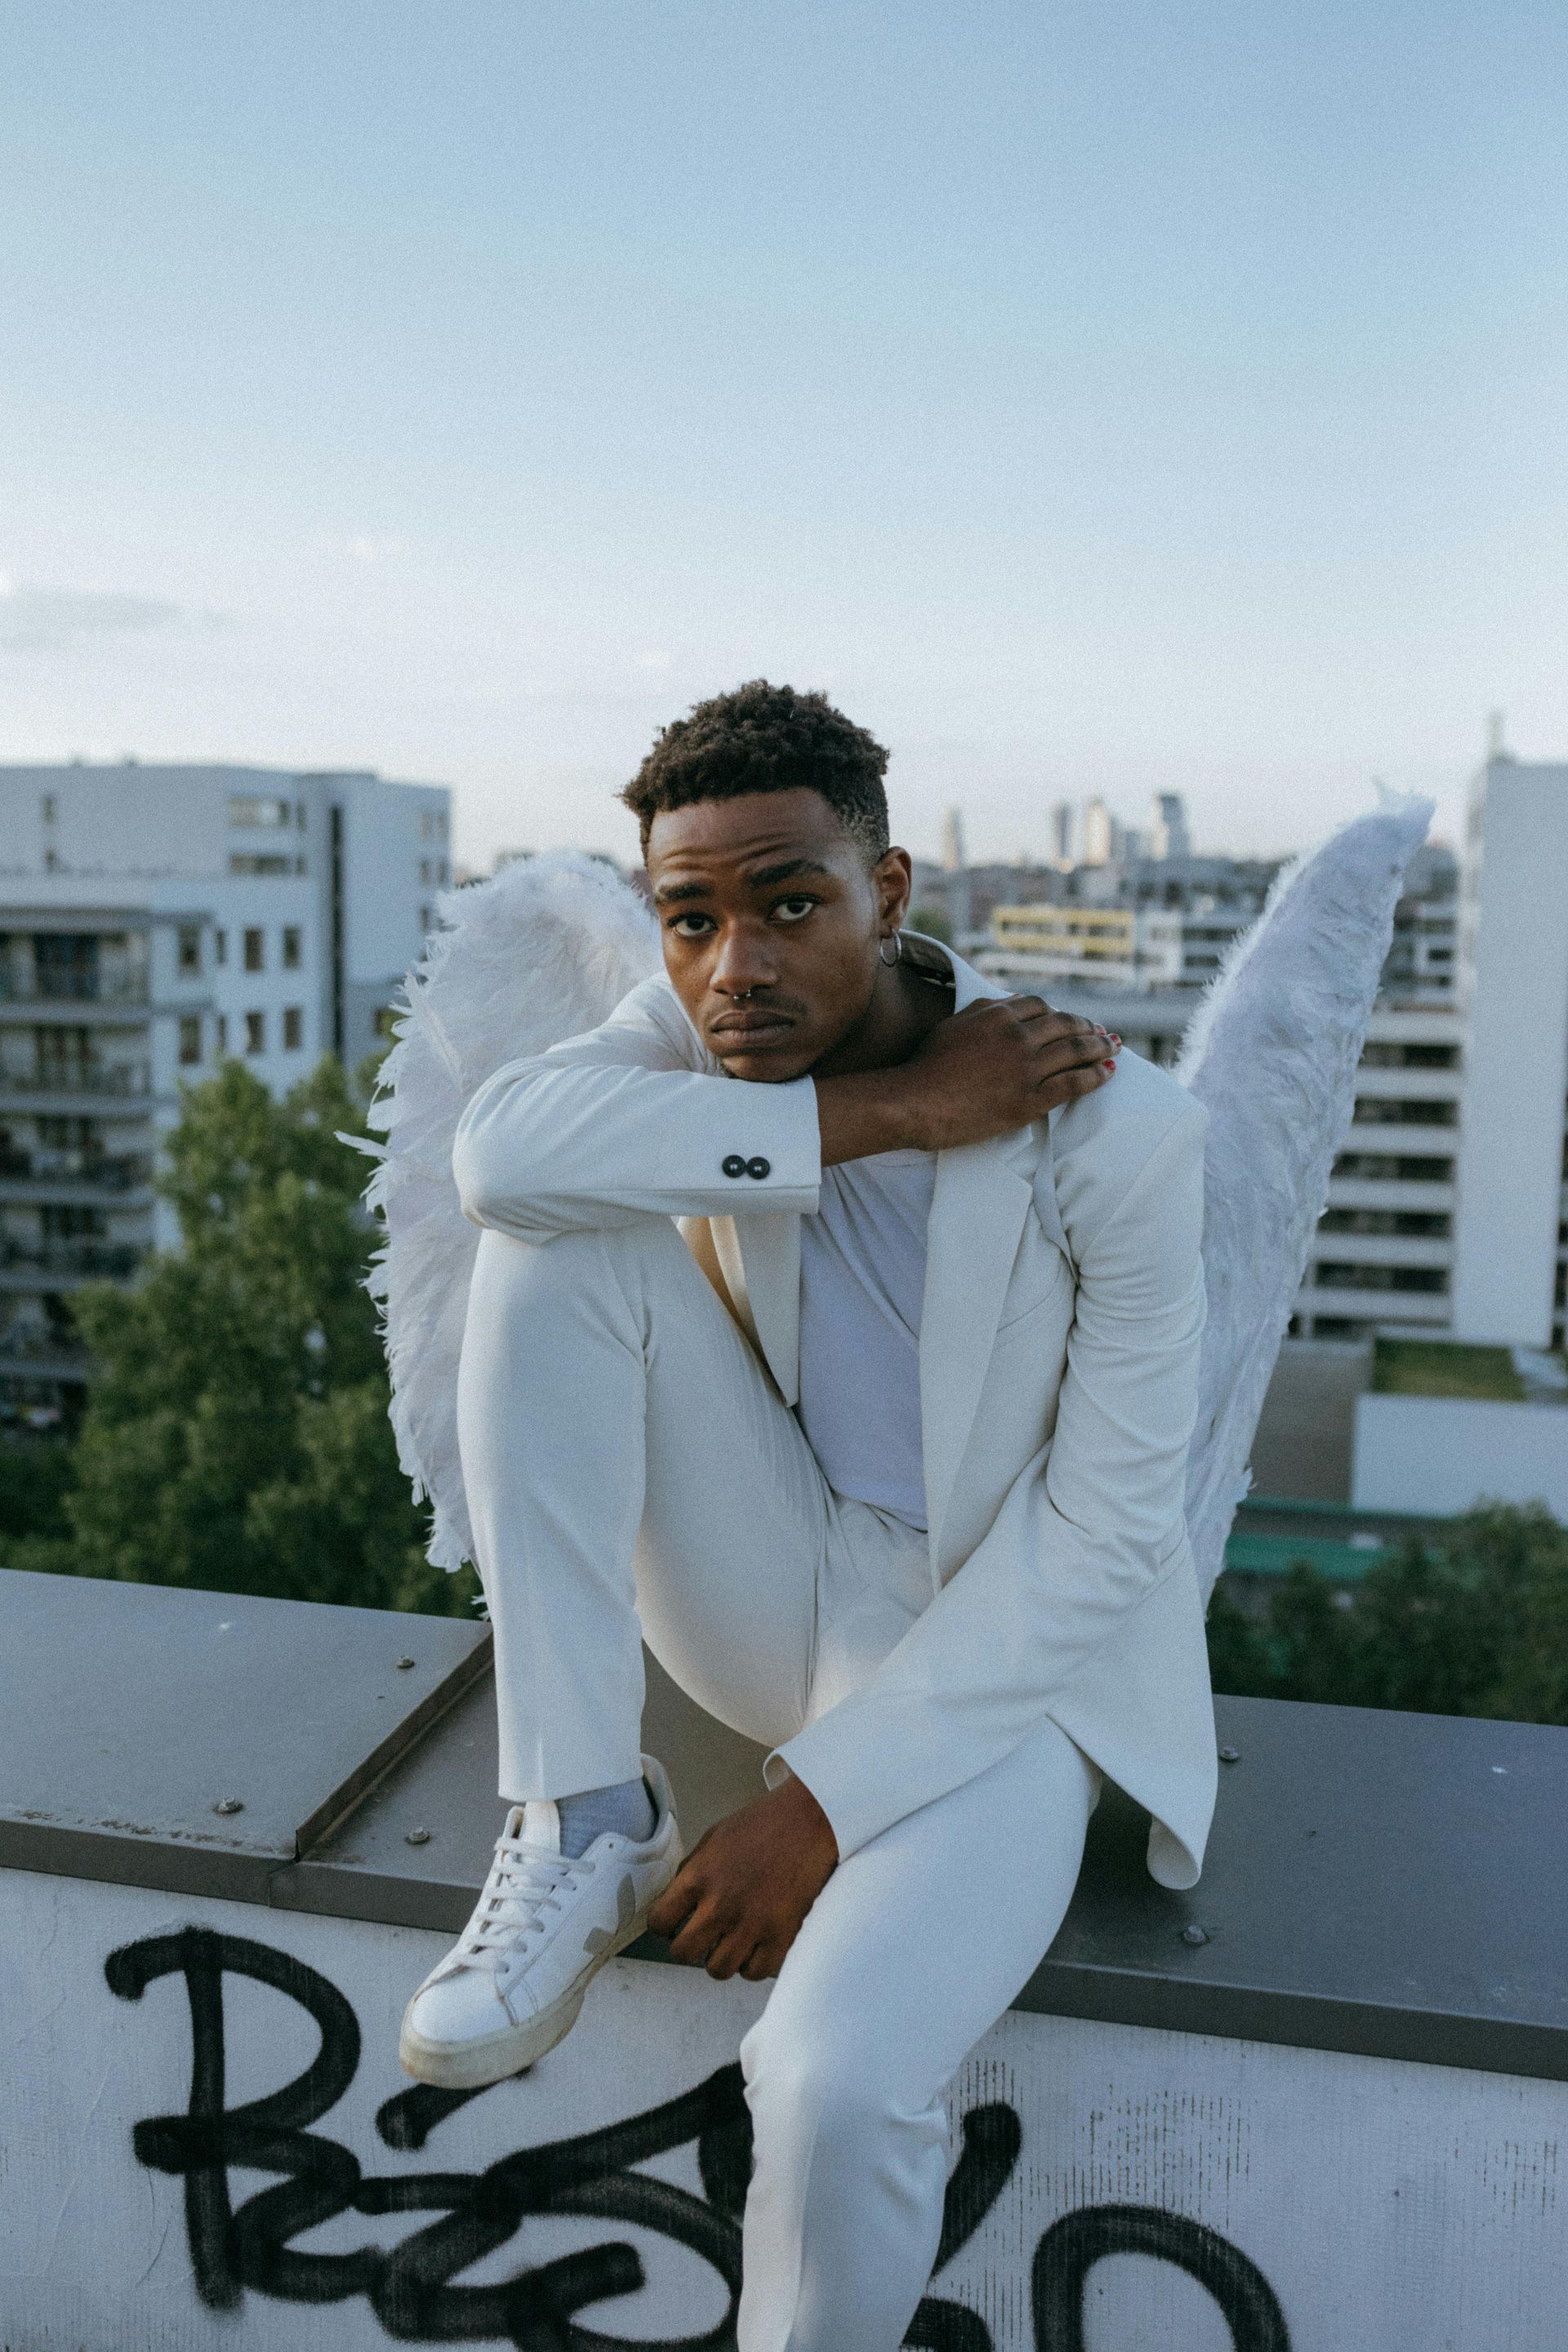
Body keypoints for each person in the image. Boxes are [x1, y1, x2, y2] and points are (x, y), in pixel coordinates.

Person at [399, 679, 1217, 2351]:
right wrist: (897, 1115)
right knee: (553, 1230)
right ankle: (579, 1819)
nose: (736, 967)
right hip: (777, 1585)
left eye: (790, 905)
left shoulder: (1121, 1135)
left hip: (1004, 1673)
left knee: (834, 2082)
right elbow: (497, 1157)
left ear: (891, 893)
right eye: (690, 919)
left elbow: (1110, 1541)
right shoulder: (696, 1043)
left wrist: (818, 1812)